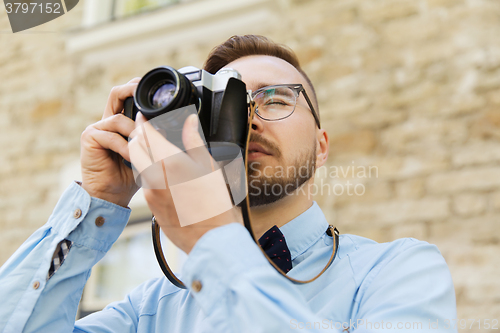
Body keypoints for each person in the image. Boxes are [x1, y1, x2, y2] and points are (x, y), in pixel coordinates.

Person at [0, 35, 457, 333]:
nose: (251, 118)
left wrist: (211, 236)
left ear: (321, 146)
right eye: (230, 101)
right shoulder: (148, 311)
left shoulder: (397, 272)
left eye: (275, 98)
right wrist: (97, 201)